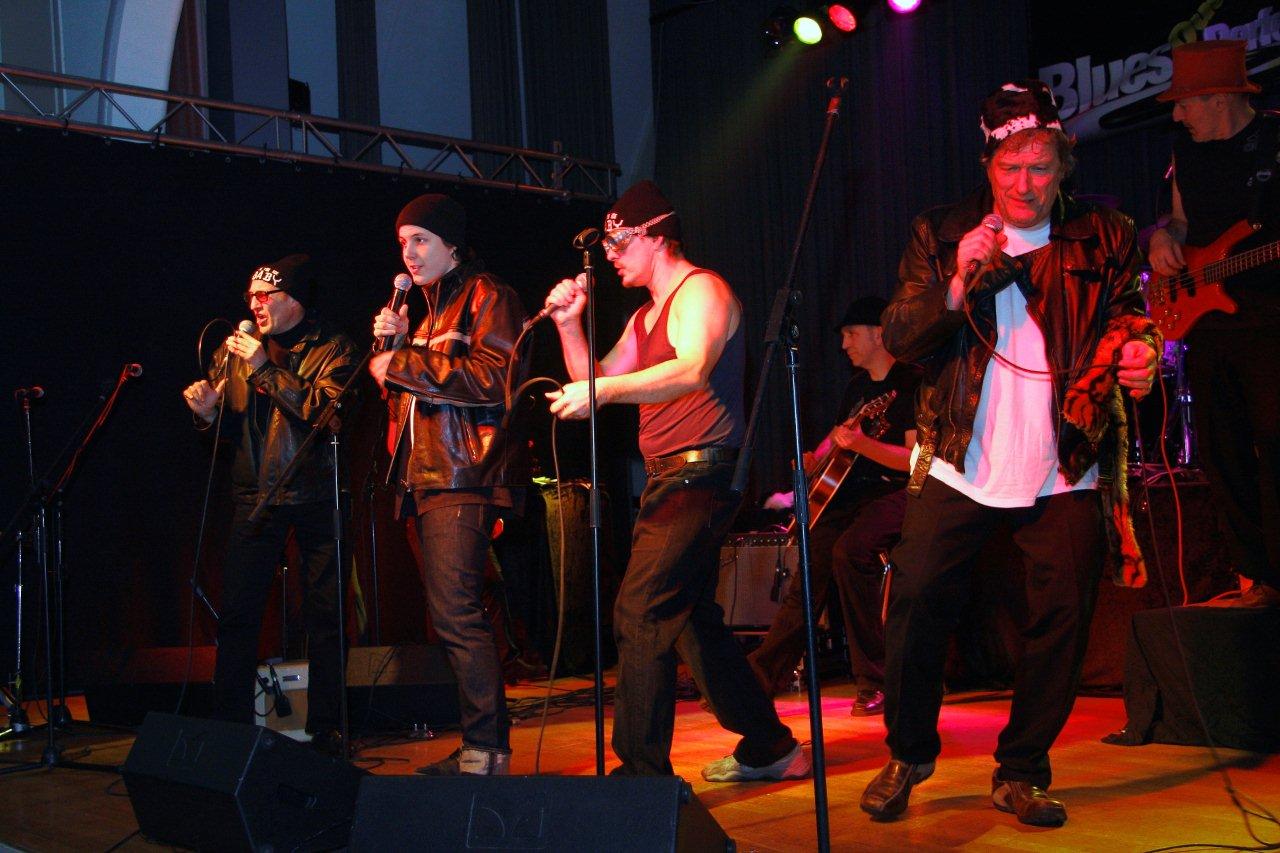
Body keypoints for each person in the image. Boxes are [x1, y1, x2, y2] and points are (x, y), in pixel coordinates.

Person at [859, 80, 1160, 827]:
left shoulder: (1105, 233)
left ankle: (1022, 769)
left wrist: (1140, 351)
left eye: (1040, 167)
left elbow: (1132, 317)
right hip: (961, 455)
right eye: (1010, 167)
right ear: (988, 164)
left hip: (1066, 457)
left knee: (1061, 617)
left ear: (1063, 164)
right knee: (917, 601)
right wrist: (957, 282)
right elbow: (900, 338)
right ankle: (908, 753)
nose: (1025, 184)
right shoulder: (941, 232)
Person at [541, 180, 809, 780]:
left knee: (639, 611)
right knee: (690, 623)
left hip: (703, 473)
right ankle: (771, 747)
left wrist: (601, 390)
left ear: (656, 236)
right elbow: (594, 379)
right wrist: (568, 325)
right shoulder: (643, 317)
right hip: (670, 480)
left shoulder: (702, 290)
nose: (611, 256)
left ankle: (641, 780)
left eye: (619, 242)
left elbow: (691, 369)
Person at [368, 193, 529, 776]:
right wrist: (398, 347)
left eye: (421, 239)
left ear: (452, 244)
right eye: (402, 242)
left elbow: (494, 378)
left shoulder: (488, 294)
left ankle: (486, 750)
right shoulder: (427, 315)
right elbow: (407, 403)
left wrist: (404, 362)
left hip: (465, 474)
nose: (408, 253)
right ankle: (478, 746)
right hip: (425, 477)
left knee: (459, 614)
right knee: (449, 614)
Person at [181, 254, 358, 756]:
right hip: (254, 494)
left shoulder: (333, 348)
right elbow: (227, 433)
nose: (255, 304)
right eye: (251, 296)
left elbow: (324, 414)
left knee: (325, 616)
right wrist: (206, 414)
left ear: (294, 299)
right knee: (238, 614)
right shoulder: (233, 352)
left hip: (316, 493)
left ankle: (327, 729)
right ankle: (229, 729)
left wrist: (265, 368)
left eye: (266, 295)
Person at [1147, 39, 1280, 609]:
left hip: (1270, 318)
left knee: (1274, 445)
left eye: (1185, 103)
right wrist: (1164, 236)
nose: (1177, 115)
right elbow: (1180, 222)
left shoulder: (1274, 140)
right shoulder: (1187, 151)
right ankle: (1255, 576)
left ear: (1219, 97)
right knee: (1222, 454)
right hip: (1208, 321)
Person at [747, 295, 918, 716]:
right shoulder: (857, 388)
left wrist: (862, 445)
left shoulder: (913, 382)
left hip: (896, 493)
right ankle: (760, 679)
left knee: (850, 553)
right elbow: (840, 436)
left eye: (851, 334)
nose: (844, 344)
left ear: (878, 333)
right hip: (851, 496)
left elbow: (913, 460)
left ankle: (875, 680)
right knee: (811, 567)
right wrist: (813, 460)